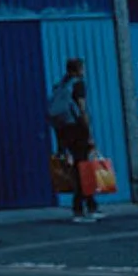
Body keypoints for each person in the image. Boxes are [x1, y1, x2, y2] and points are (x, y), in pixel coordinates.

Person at [46, 60, 97, 218]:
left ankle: (89, 204)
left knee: (78, 166)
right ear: (79, 70)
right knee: (83, 166)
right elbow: (81, 109)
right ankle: (80, 208)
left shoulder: (60, 85)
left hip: (63, 130)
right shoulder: (78, 84)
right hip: (77, 128)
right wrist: (89, 133)